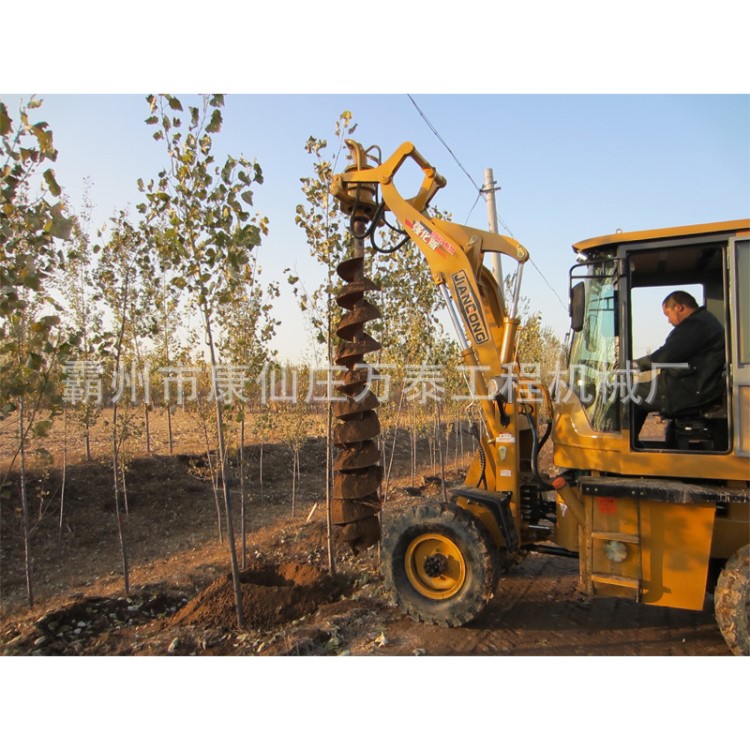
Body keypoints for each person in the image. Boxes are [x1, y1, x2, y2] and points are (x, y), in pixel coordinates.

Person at [631, 290, 725, 442]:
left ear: (679, 308)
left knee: (628, 395)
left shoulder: (696, 325)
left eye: (668, 314)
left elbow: (665, 356)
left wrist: (635, 364)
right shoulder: (702, 322)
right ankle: (632, 444)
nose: (668, 321)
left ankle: (625, 448)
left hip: (690, 389)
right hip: (691, 384)